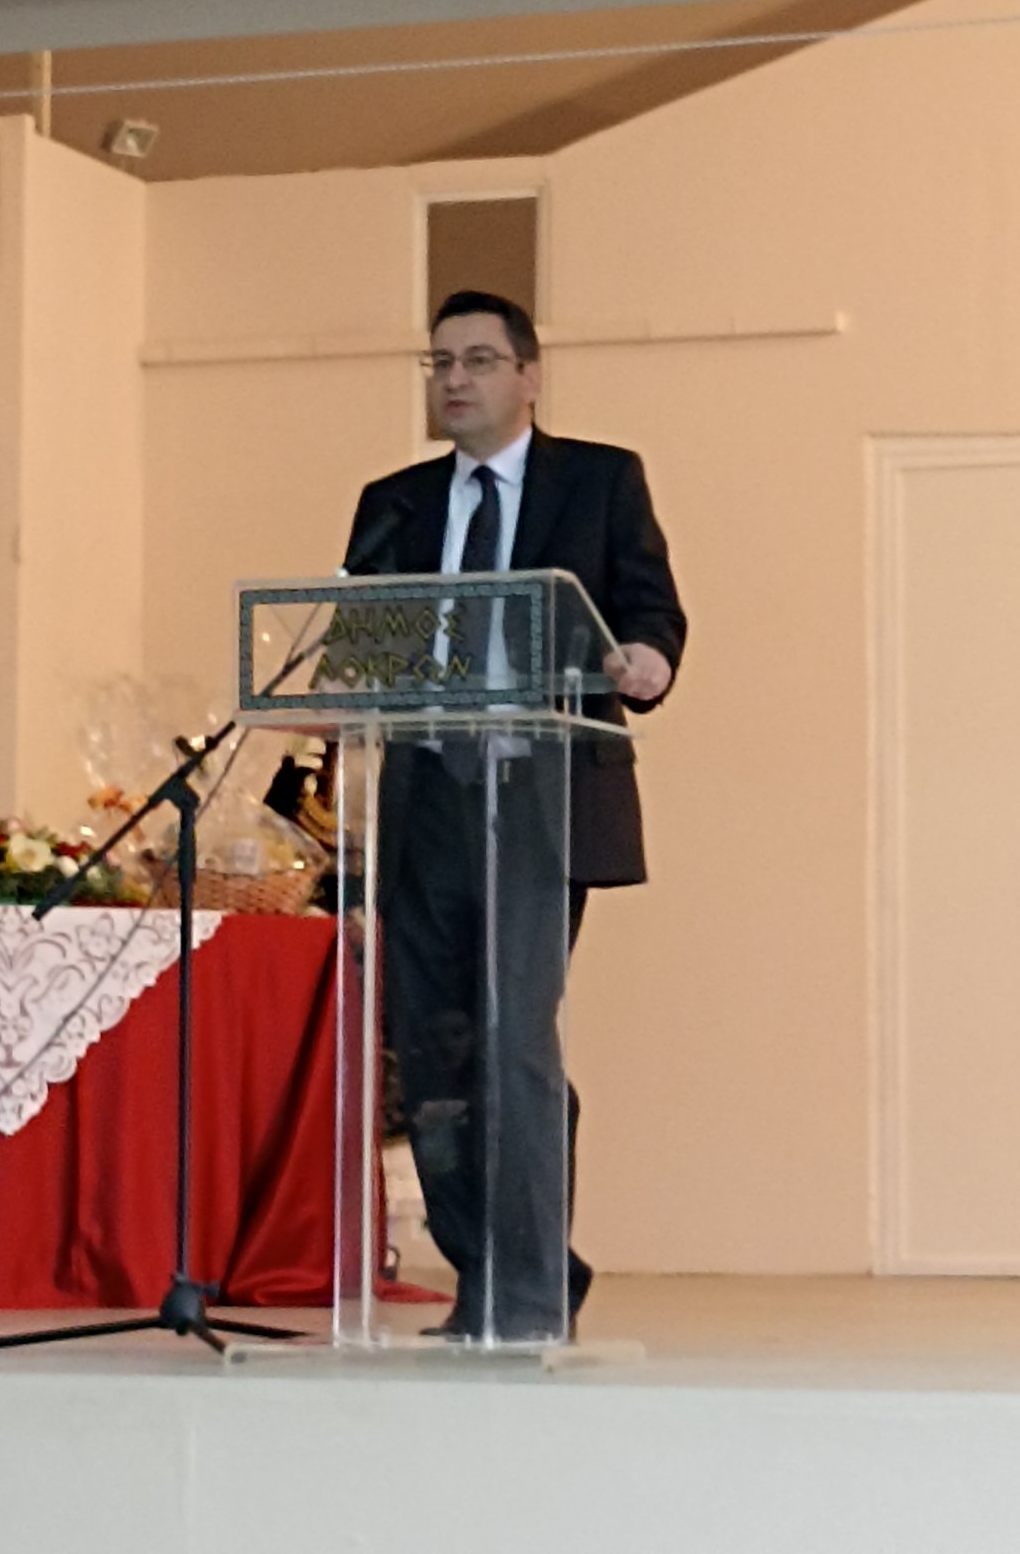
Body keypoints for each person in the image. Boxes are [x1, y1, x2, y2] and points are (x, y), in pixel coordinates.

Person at [345, 289, 687, 1339]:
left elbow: (649, 606)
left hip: (539, 796)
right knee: (436, 1054)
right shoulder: (395, 501)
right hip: (427, 802)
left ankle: (528, 1291)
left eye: (479, 360)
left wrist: (647, 658)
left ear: (529, 375)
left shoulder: (599, 478)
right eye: (439, 362)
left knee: (511, 1038)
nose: (454, 379)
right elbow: (359, 641)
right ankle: (490, 1273)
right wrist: (342, 683)